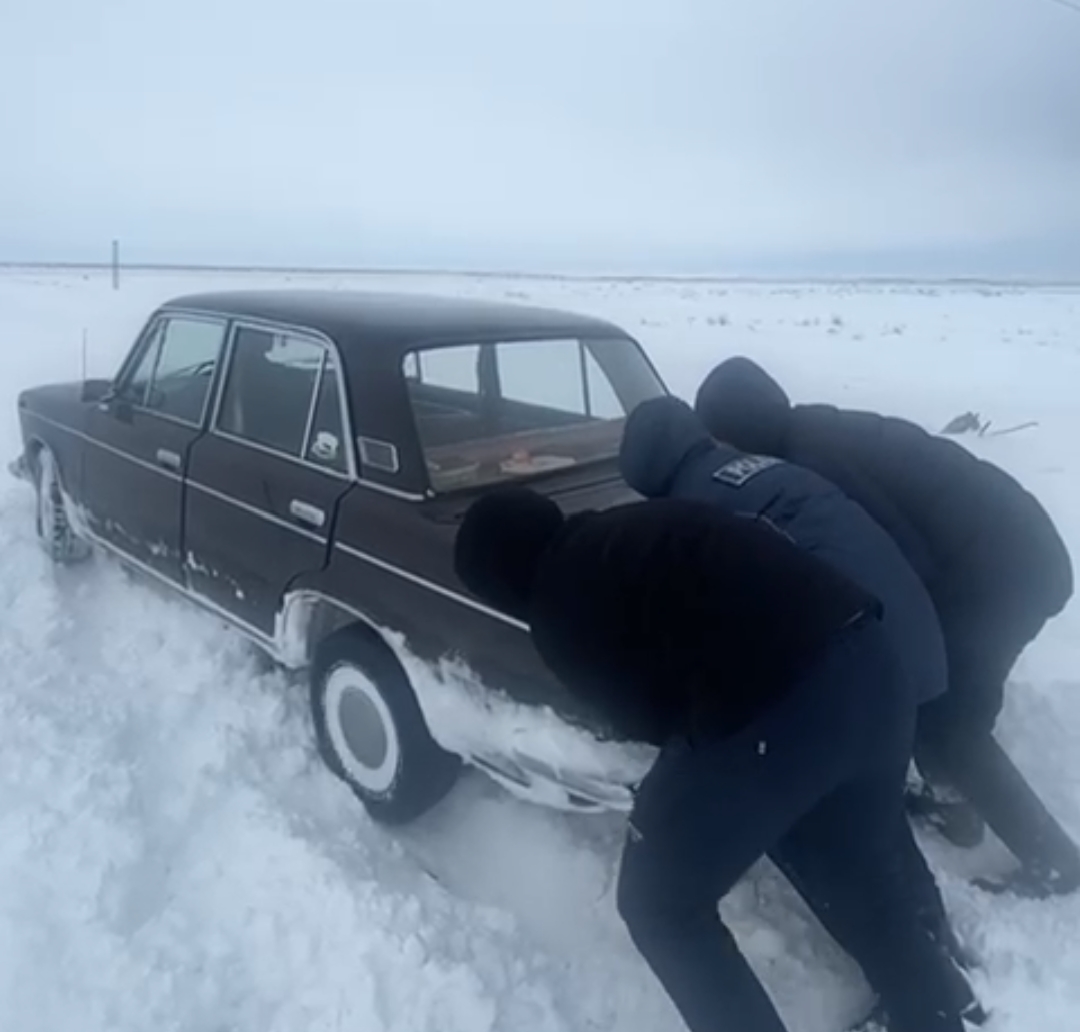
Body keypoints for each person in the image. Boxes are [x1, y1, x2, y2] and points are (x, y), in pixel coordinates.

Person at [454, 487, 979, 1032]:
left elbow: (657, 722)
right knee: (856, 866)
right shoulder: (630, 524)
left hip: (787, 708)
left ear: (500, 584)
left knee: (658, 904)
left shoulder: (558, 609)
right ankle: (936, 1006)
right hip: (873, 667)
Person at [694, 355, 1078, 897]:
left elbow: (901, 559)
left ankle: (1055, 859)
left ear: (740, 427)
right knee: (946, 693)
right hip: (1007, 550)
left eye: (723, 439)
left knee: (948, 715)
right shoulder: (807, 431)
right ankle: (956, 806)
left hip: (1006, 568)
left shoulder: (815, 458)